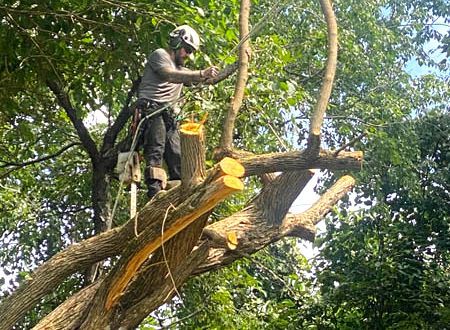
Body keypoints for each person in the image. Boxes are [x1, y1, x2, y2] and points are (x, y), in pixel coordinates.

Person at [135, 25, 218, 198]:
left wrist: (228, 69)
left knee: (177, 154)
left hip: (169, 115)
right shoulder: (160, 55)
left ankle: (182, 192)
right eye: (186, 49)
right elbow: (169, 75)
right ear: (176, 42)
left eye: (190, 51)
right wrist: (202, 73)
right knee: (156, 148)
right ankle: (155, 194)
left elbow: (198, 79)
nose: (188, 55)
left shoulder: (183, 71)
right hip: (151, 110)